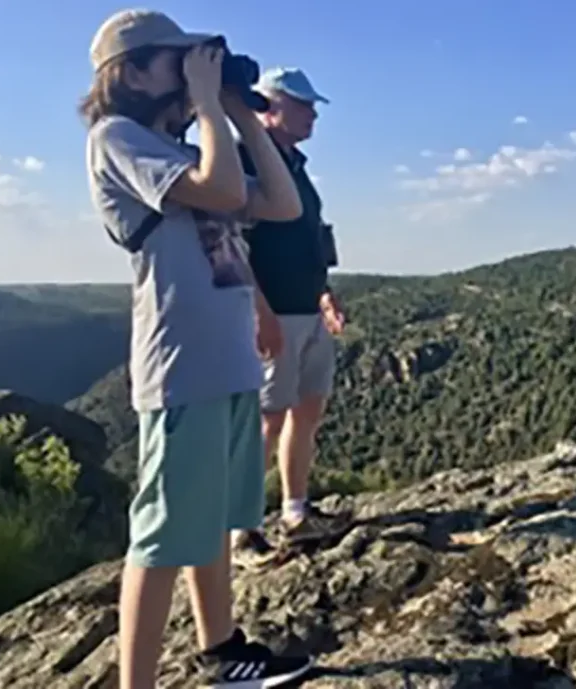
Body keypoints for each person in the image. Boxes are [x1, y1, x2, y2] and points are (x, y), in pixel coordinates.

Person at [82, 9, 314, 688]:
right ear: (132, 73)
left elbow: (283, 203)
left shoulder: (187, 150)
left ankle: (223, 651)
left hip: (228, 363)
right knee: (161, 539)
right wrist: (210, 105)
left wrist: (240, 113)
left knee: (210, 522)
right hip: (182, 366)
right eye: (176, 60)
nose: (191, 72)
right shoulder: (115, 137)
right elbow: (222, 191)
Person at [230, 67, 349, 566]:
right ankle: (242, 530)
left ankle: (295, 513)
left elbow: (309, 237)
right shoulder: (243, 160)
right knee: (269, 420)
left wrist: (324, 294)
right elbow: (233, 243)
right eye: (302, 105)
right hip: (274, 311)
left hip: (306, 309)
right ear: (269, 107)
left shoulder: (294, 166)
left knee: (307, 412)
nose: (312, 115)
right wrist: (259, 310)